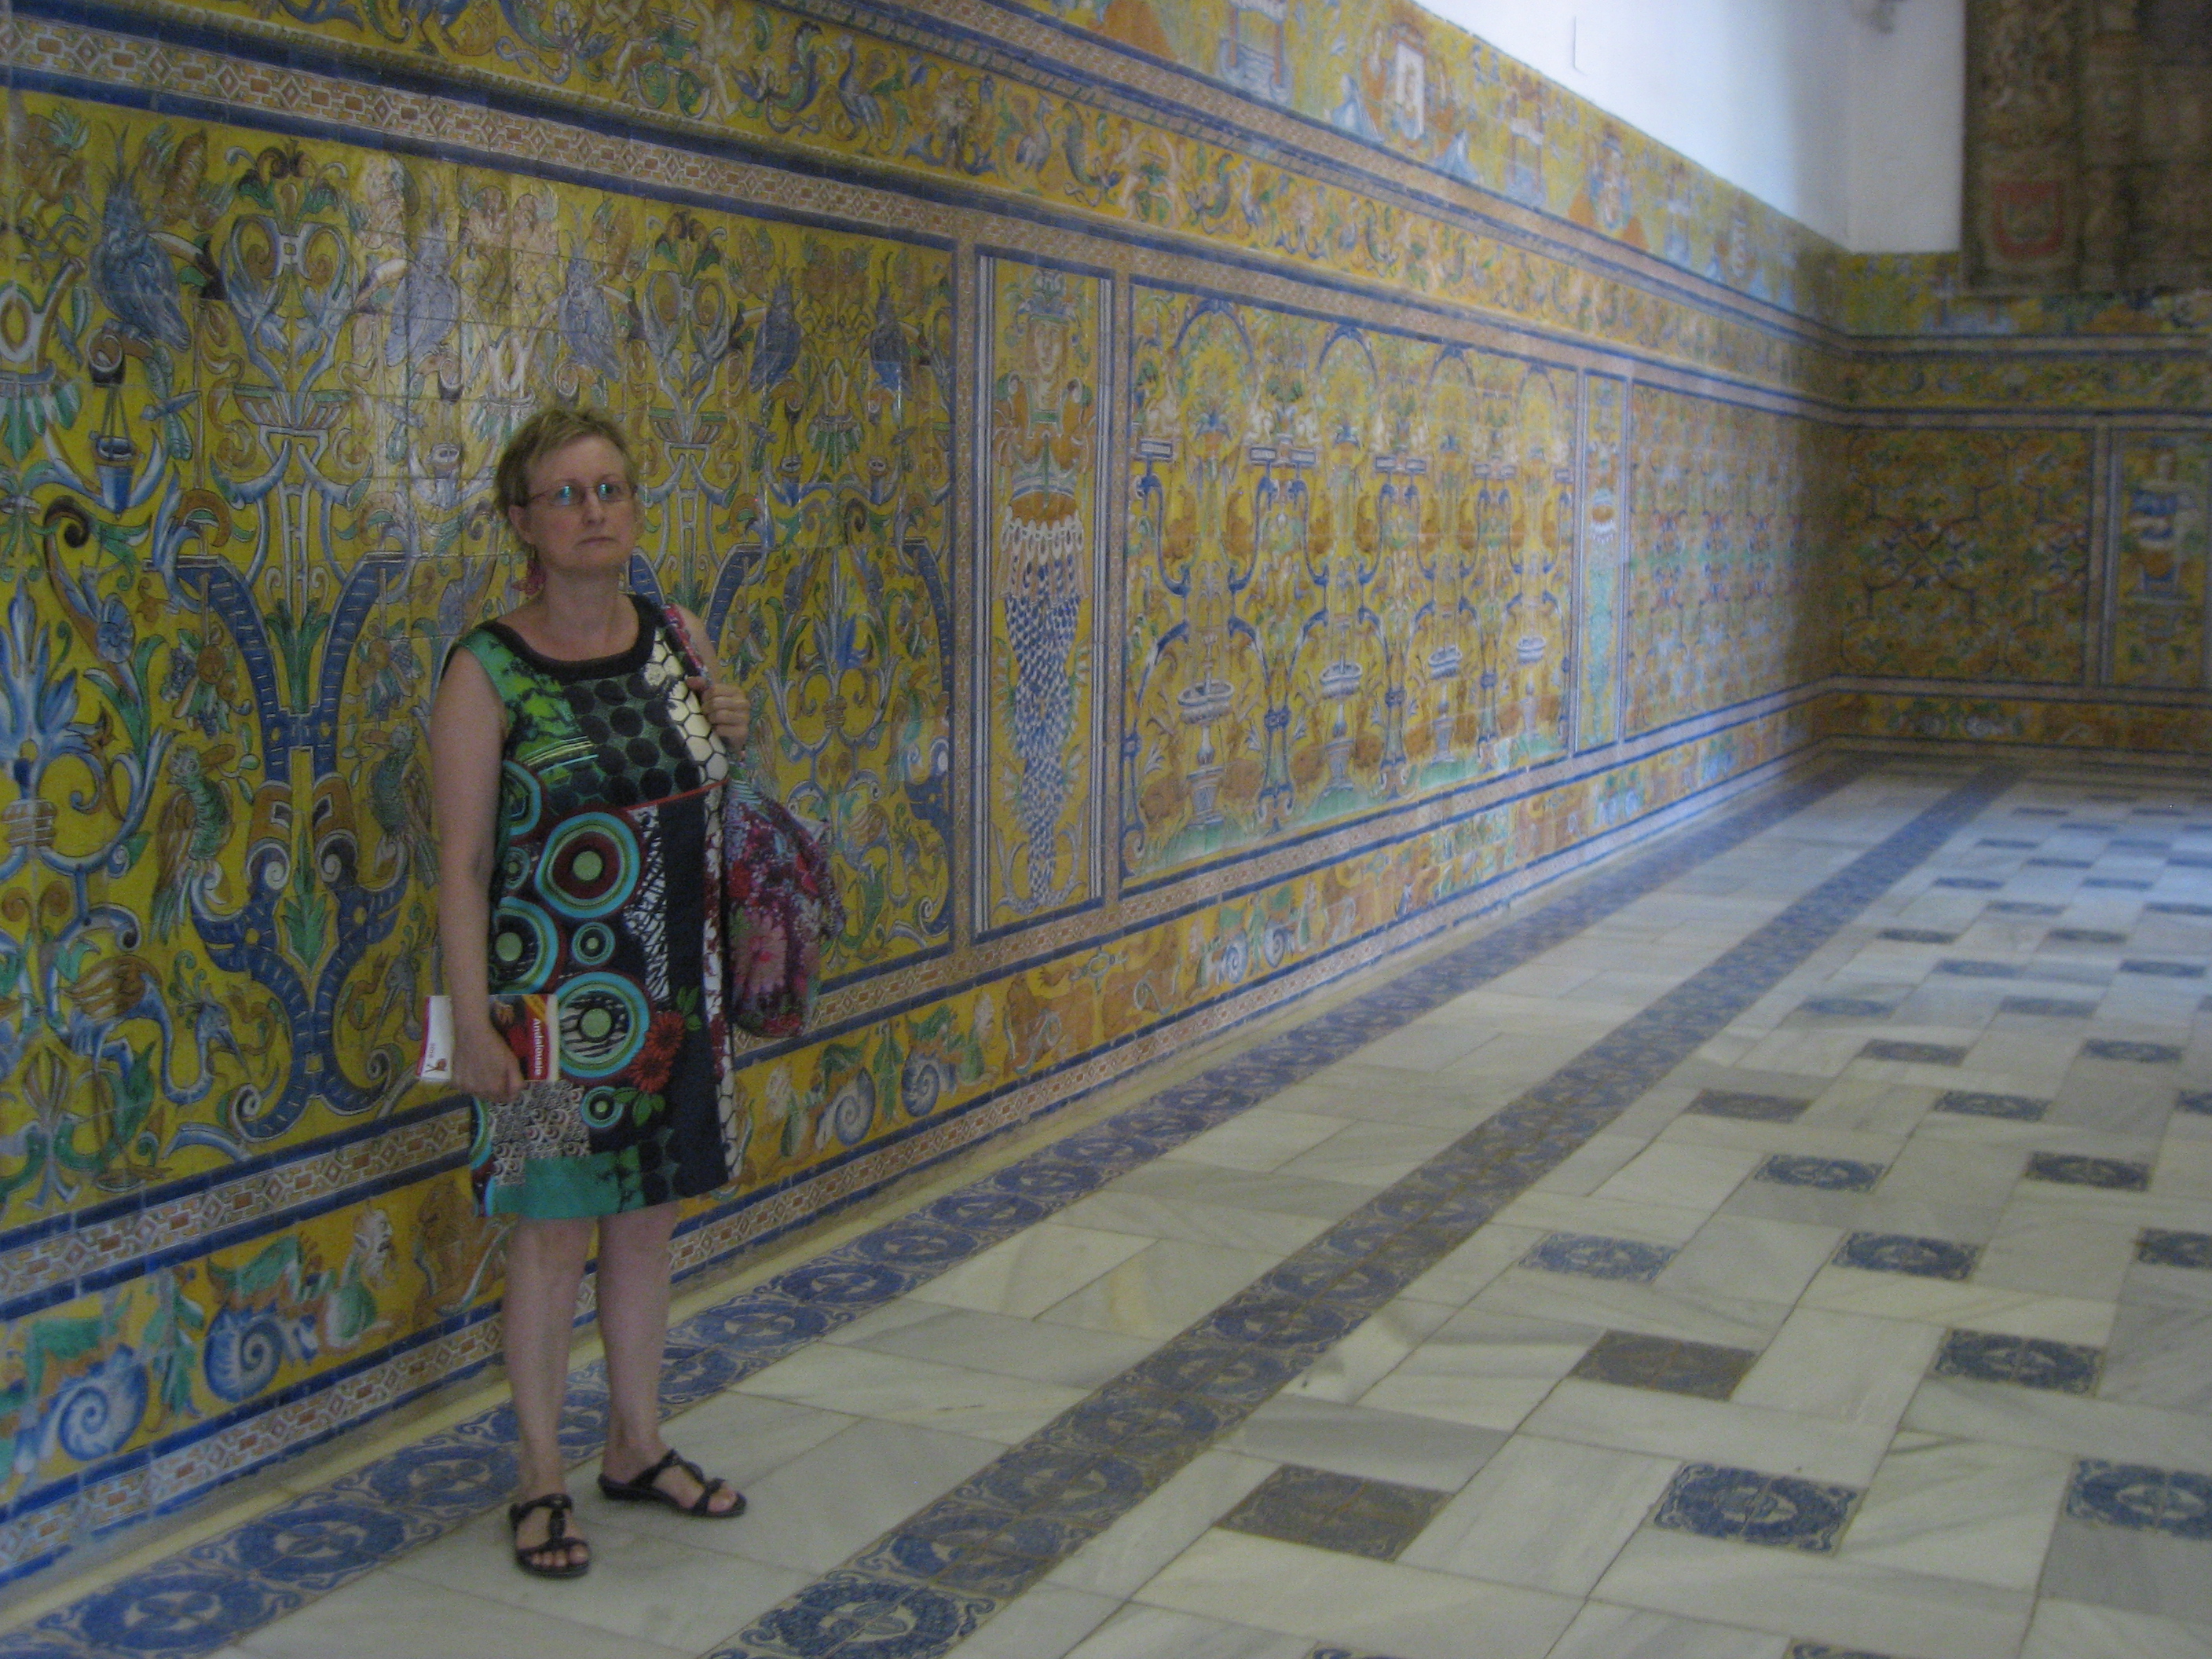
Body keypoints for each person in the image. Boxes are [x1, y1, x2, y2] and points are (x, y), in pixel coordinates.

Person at [429, 407, 753, 1578]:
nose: (593, 511)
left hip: (672, 997)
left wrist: (731, 723)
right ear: (521, 520)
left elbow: (710, 786)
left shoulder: (676, 635)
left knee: (648, 1221)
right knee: (549, 1235)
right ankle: (538, 1473)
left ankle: (635, 1442)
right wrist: (475, 1024)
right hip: (543, 1017)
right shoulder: (487, 669)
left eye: (610, 488)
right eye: (564, 494)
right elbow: (462, 864)